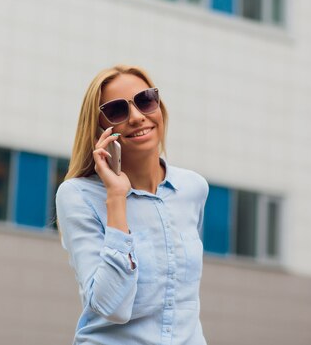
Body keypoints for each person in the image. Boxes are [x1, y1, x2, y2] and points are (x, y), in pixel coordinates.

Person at [56, 65, 209, 345]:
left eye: (145, 100)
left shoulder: (193, 188)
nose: (138, 117)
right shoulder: (77, 195)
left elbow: (186, 302)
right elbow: (112, 308)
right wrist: (116, 198)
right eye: (117, 110)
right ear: (100, 127)